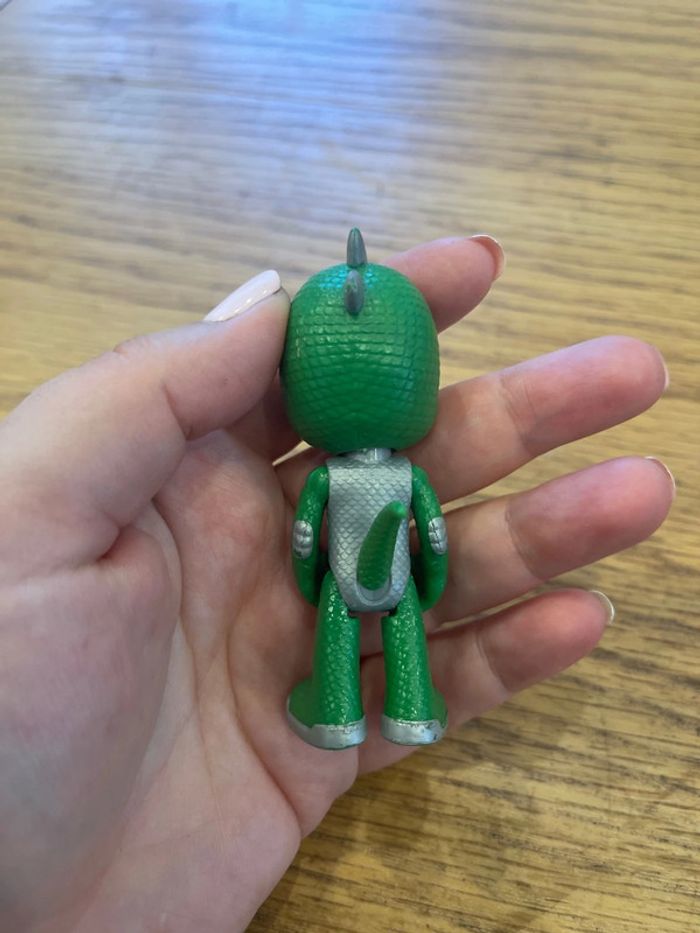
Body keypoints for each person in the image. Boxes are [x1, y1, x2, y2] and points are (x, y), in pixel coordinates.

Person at [0, 236, 673, 932]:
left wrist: (312, 576)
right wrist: (430, 579)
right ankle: (412, 705)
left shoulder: (327, 477)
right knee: (407, 633)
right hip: (400, 584)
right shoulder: (406, 475)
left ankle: (336, 711)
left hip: (338, 584)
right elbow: (433, 533)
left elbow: (303, 538)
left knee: (337, 635)